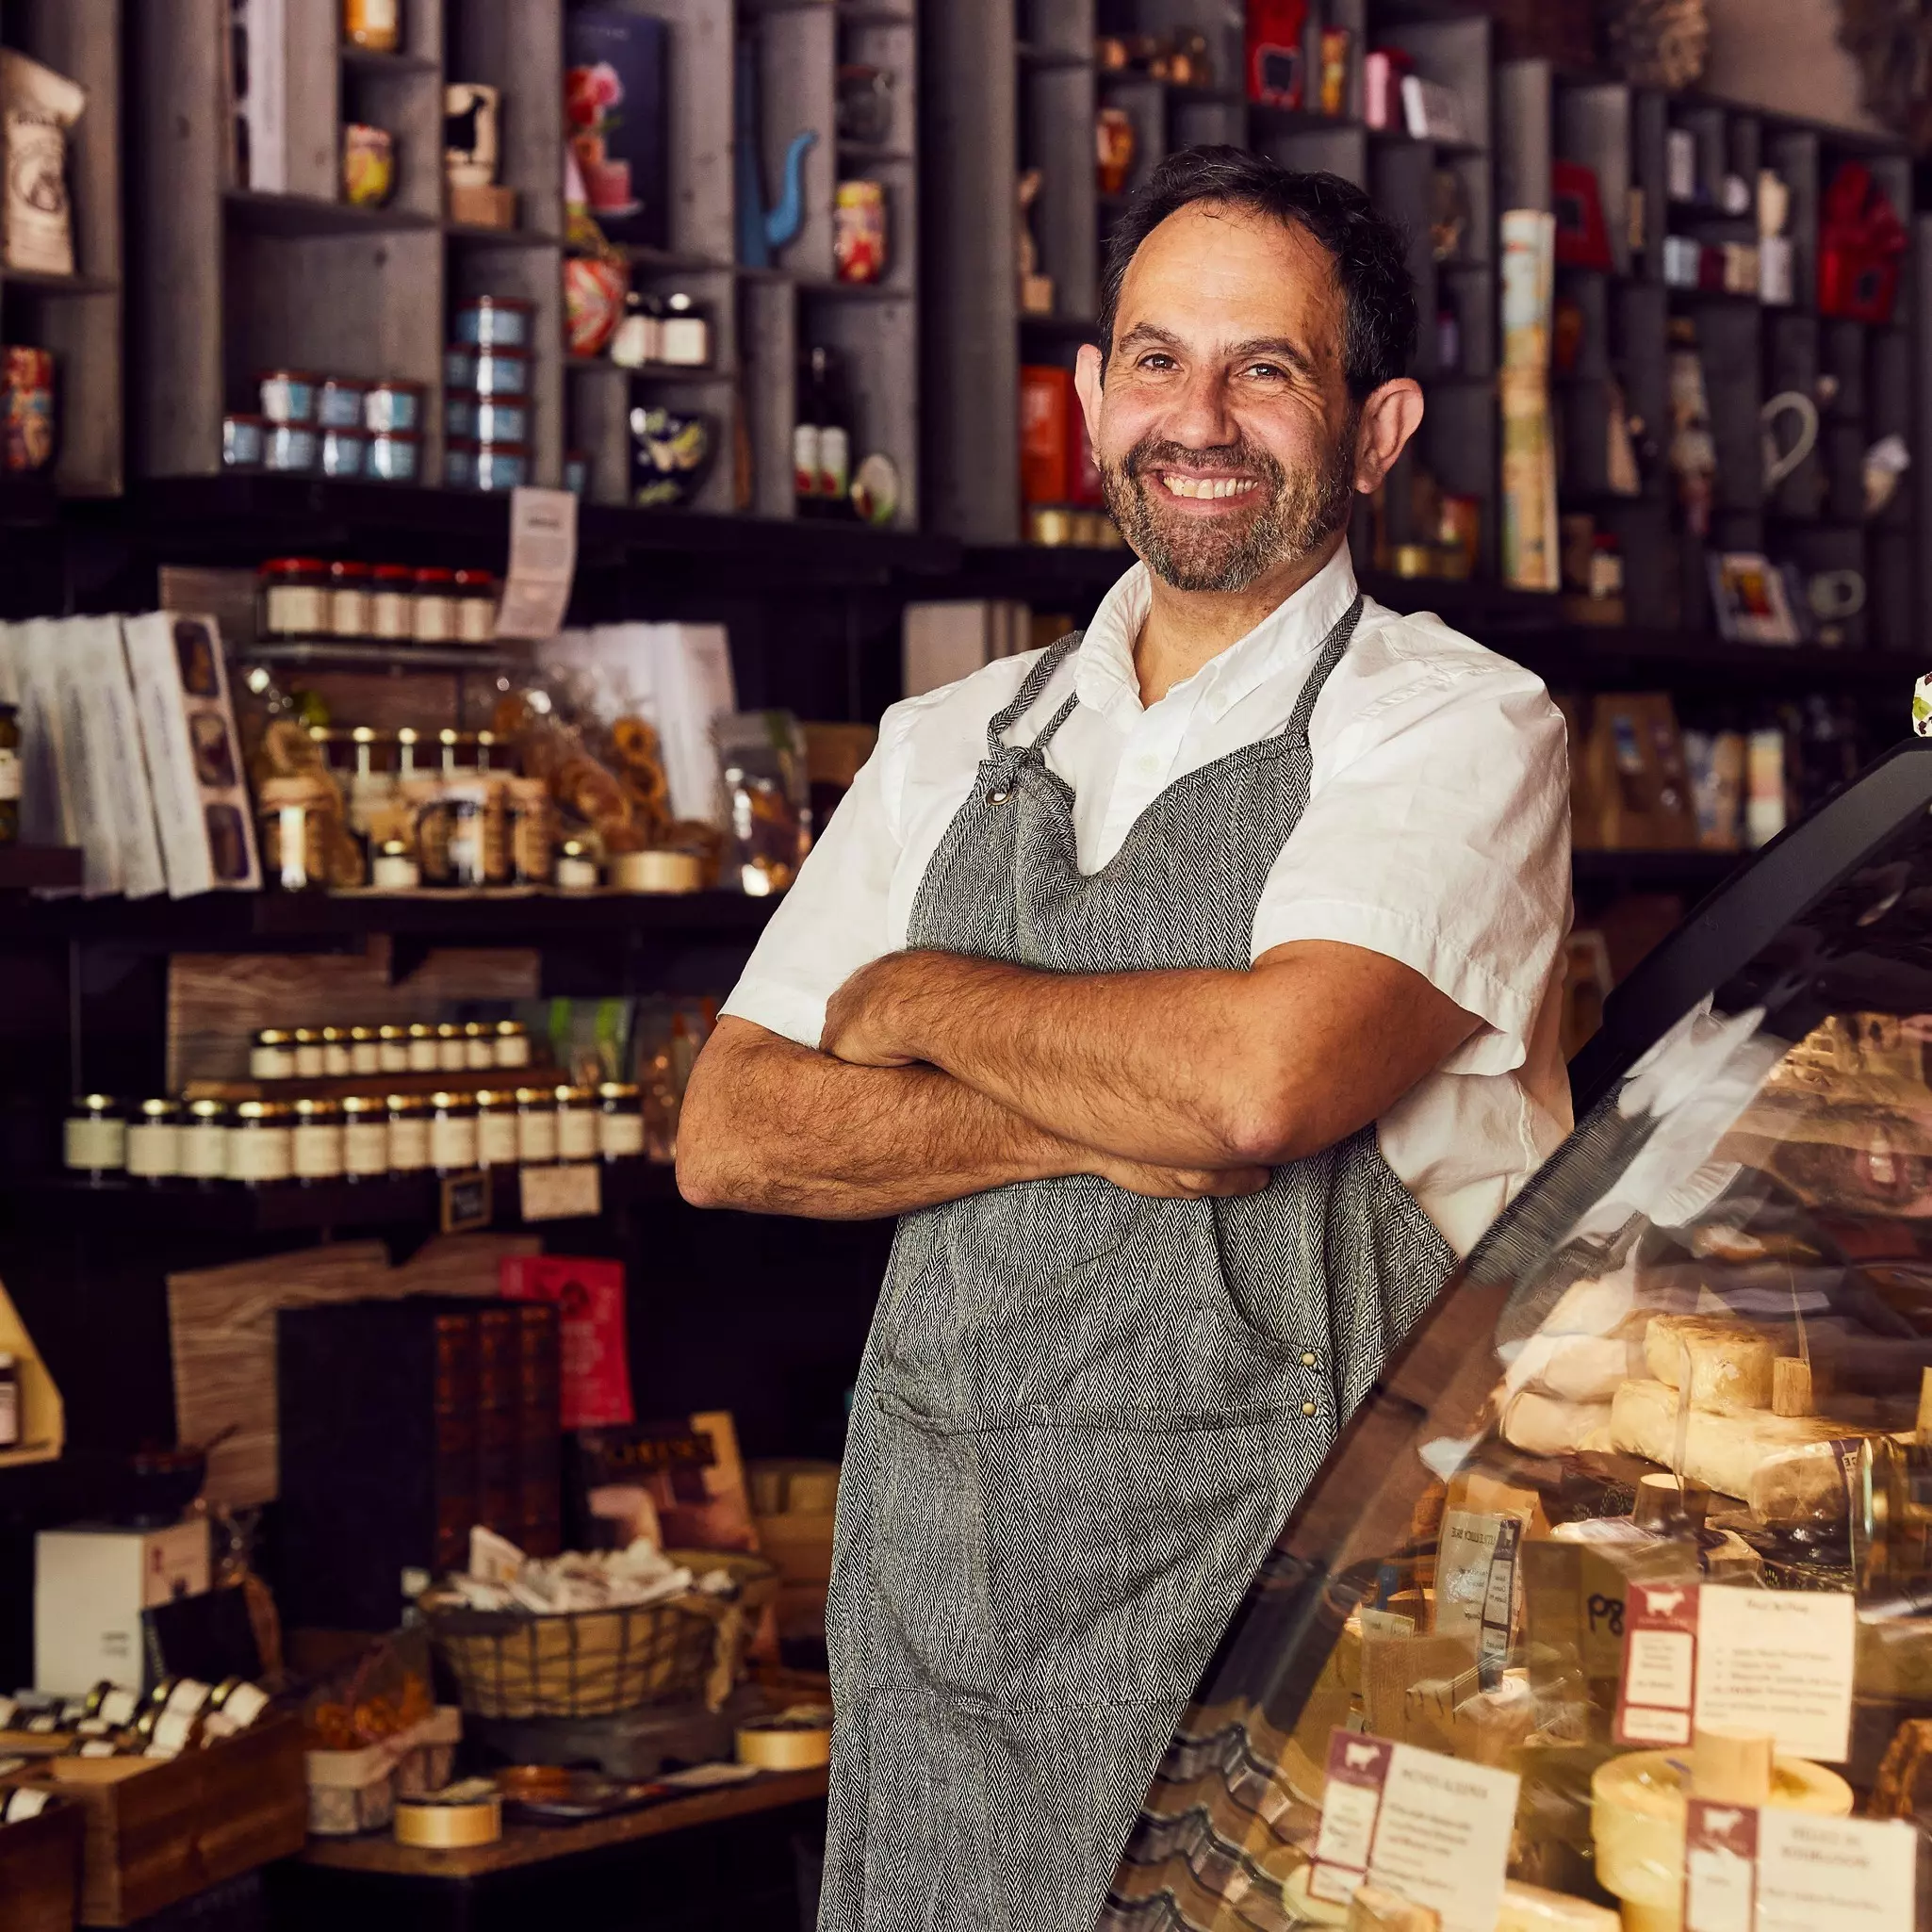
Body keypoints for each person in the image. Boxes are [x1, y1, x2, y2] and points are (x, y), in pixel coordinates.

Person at [677, 147, 1572, 1932]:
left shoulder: (1458, 726)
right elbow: (737, 1130)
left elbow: (1261, 1082)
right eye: (1156, 360)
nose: (1201, 417)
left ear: (1376, 426)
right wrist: (1103, 1117)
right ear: (1090, 400)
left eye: (1268, 369)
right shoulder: (945, 743)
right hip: (952, 1623)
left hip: (1306, 1625)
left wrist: (920, 1001)